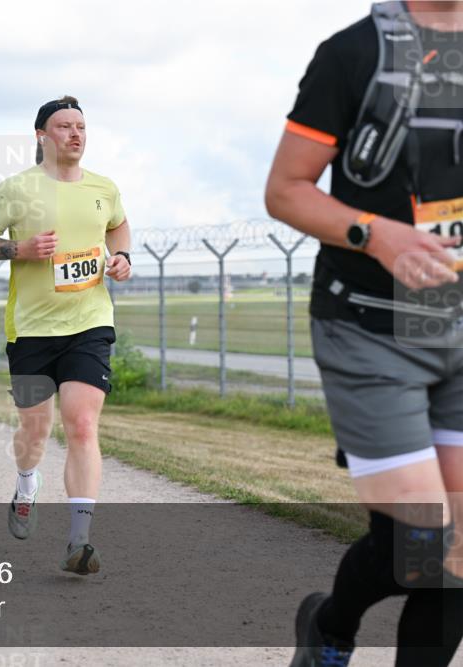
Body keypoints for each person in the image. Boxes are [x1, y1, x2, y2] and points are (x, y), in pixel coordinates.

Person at [265, 3, 463, 665]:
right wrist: (375, 234)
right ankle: (331, 624)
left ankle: (328, 624)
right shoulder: (354, 53)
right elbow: (287, 190)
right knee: (424, 540)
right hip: (371, 327)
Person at [0, 96, 132, 575]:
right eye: (64, 126)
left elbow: (118, 228)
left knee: (82, 424)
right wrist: (20, 247)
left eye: (81, 126)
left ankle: (80, 540)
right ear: (41, 134)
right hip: (32, 329)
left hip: (89, 322)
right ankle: (25, 485)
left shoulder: (104, 188)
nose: (76, 134)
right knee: (35, 430)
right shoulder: (17, 189)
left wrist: (122, 259)